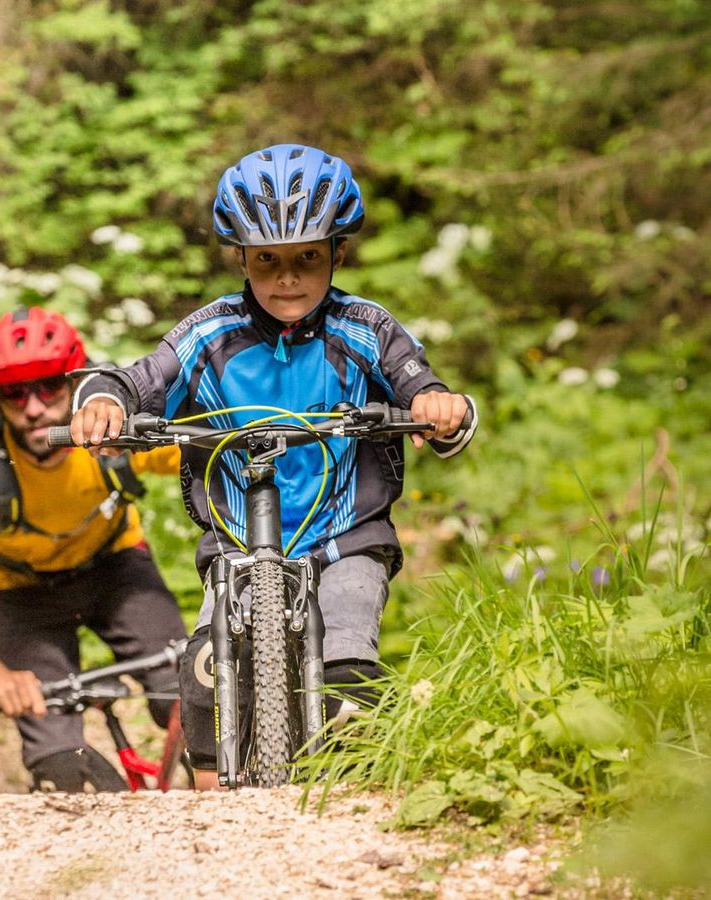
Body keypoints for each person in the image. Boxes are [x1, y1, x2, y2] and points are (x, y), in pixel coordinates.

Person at [68, 144, 478, 789]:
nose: (288, 278)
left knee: (346, 666)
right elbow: (140, 381)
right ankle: (216, 831)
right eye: (269, 262)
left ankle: (353, 803)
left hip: (345, 541)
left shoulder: (367, 328)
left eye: (307, 258)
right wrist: (104, 404)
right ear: (242, 258)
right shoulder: (208, 334)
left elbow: (417, 384)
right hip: (237, 548)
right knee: (206, 669)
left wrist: (435, 405)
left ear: (338, 252)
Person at [0, 307, 188, 792]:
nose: (32, 407)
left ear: (76, 382)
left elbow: (209, 449)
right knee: (61, 765)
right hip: (23, 595)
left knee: (190, 701)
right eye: (12, 392)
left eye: (48, 386)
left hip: (117, 569)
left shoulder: (111, 433)